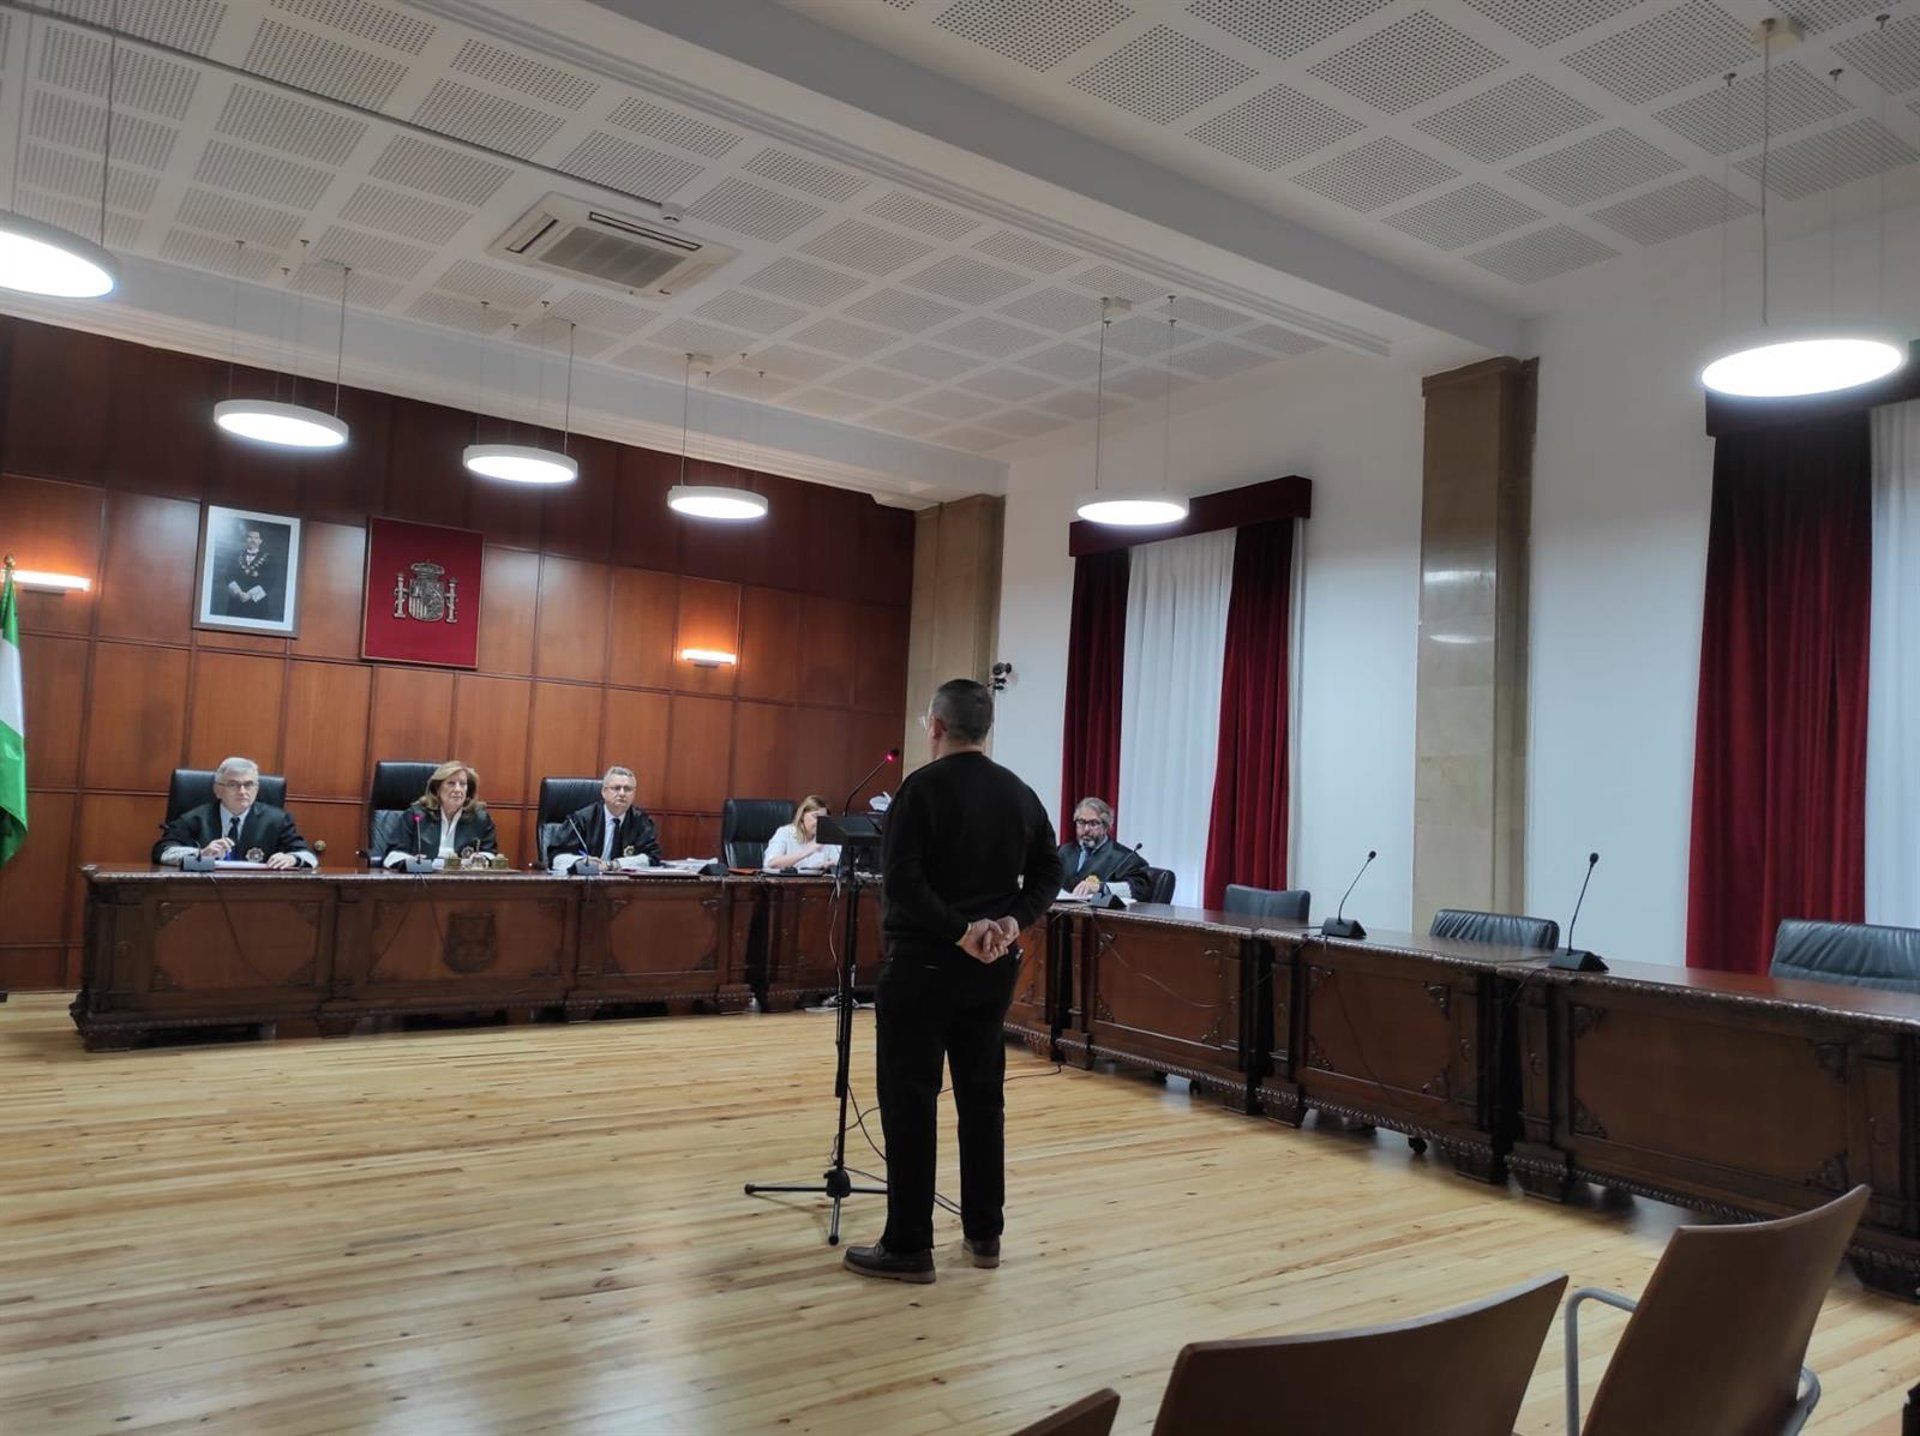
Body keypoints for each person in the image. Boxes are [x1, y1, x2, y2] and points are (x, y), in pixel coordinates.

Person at [844, 678, 1061, 1284]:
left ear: (936, 727)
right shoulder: (1018, 792)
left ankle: (909, 1245)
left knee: (910, 1101)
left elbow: (903, 883)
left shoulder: (919, 789)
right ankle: (984, 1234)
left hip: (924, 965)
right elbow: (1050, 869)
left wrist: (961, 930)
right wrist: (1012, 923)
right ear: (986, 728)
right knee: (982, 1097)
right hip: (992, 970)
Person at [153, 756, 316, 870]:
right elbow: (162, 851)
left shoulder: (277, 820)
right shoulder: (195, 818)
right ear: (217, 790)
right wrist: (199, 854)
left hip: (259, 892)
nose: (242, 791)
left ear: (257, 788)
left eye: (249, 784)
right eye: (233, 784)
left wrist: (292, 858)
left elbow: (308, 855)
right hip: (203, 890)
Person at [381, 761, 497, 868]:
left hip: (463, 880)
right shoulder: (416, 815)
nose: (458, 789)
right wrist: (413, 863)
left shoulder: (480, 819)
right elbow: (393, 856)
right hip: (423, 878)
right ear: (437, 788)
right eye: (451, 783)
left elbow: (491, 854)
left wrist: (480, 859)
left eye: (462, 784)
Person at [547, 766, 663, 873]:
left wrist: (616, 864)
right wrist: (583, 863)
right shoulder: (581, 819)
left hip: (625, 885)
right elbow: (556, 857)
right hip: (585, 882)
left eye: (628, 789)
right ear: (604, 792)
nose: (622, 793)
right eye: (616, 788)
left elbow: (653, 857)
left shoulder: (641, 821)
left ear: (634, 793)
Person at [1058, 796, 1150, 900]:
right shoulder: (1063, 851)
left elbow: (1140, 889)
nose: (1086, 829)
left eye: (1093, 823)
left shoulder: (1125, 858)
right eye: (1081, 822)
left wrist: (1101, 887)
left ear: (1106, 827)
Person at [218, 524, 283, 622]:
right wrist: (239, 593)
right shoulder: (235, 556)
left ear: (260, 541)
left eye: (256, 538)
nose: (252, 540)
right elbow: (228, 576)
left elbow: (270, 581)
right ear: (245, 540)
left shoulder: (269, 559)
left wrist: (249, 595)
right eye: (250, 537)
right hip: (236, 603)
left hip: (257, 604)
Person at [763, 795, 841, 872]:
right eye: (815, 816)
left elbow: (840, 861)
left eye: (824, 818)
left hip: (817, 880)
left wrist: (833, 864)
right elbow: (771, 863)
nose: (820, 822)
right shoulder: (785, 832)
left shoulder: (828, 836)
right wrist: (806, 851)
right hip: (788, 880)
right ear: (802, 816)